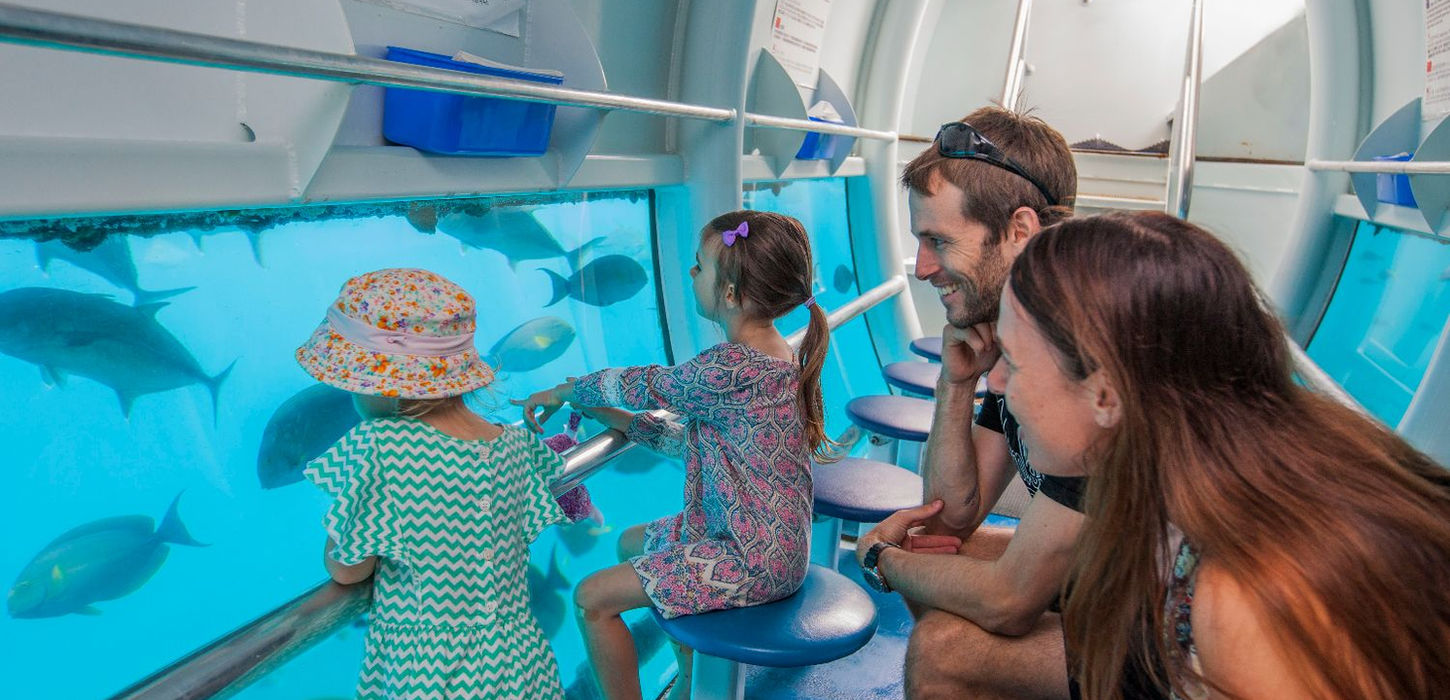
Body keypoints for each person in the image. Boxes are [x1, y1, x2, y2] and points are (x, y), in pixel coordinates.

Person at [994, 211, 1450, 699]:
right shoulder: (1212, 476)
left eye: (1013, 361)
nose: (996, 380)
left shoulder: (1248, 596)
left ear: (1106, 395)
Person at [516, 210, 830, 700]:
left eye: (699, 266)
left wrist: (568, 389)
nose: (690, 274)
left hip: (750, 558)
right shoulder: (774, 356)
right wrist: (617, 421)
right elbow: (699, 447)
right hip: (760, 539)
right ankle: (688, 670)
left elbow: (648, 383)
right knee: (629, 543)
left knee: (590, 600)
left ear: (730, 294)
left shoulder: (731, 367)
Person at [854, 105, 1100, 700]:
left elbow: (1011, 605)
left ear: (1020, 230)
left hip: (1171, 634)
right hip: (1108, 571)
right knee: (931, 549)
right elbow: (950, 517)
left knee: (945, 651)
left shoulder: (1082, 352)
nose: (920, 268)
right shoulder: (1015, 334)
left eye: (938, 240)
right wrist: (956, 385)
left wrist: (880, 561)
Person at [297, 268, 571, 700]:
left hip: (427, 670)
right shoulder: (516, 446)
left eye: (351, 384)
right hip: (522, 662)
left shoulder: (379, 446)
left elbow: (348, 569)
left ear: (385, 386)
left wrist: (343, 523)